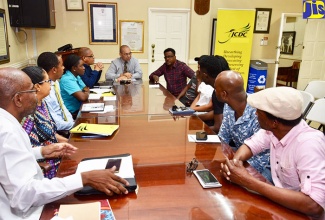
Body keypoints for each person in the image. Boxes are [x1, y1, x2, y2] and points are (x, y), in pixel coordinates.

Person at [0, 67, 129, 219]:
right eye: (31, 91)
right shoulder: (7, 132)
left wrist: (41, 151)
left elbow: (8, 161)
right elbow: (23, 196)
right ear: (18, 99)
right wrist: (84, 178)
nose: (36, 95)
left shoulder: (7, 123)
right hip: (29, 214)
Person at [220, 87, 325, 219]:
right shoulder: (276, 130)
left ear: (274, 122)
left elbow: (314, 206)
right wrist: (235, 166)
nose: (255, 114)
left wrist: (248, 181)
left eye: (259, 112)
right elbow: (250, 146)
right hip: (282, 206)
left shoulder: (308, 144)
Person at [215, 70, 271, 182]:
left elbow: (263, 157)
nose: (214, 91)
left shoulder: (258, 112)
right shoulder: (228, 106)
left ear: (224, 94)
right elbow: (223, 139)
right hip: (239, 158)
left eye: (216, 89)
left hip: (264, 169)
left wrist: (236, 169)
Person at [21, 66, 68, 179]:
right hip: (46, 165)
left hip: (57, 153)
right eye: (48, 81)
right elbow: (30, 150)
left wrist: (69, 143)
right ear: (37, 86)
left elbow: (51, 133)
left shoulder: (42, 103)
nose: (51, 84)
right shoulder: (27, 113)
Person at [37, 52, 74, 131]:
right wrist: (73, 125)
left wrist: (72, 122)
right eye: (61, 65)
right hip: (58, 130)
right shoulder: (44, 90)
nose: (63, 68)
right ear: (54, 70)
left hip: (67, 125)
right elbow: (54, 122)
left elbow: (62, 106)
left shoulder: (55, 83)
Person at [196, 55, 230, 133]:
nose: (198, 73)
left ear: (205, 75)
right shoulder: (222, 87)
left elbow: (218, 127)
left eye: (199, 71)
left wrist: (196, 132)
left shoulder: (219, 91)